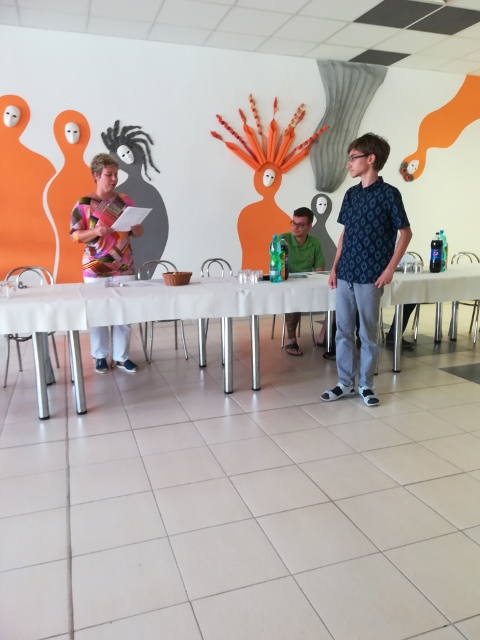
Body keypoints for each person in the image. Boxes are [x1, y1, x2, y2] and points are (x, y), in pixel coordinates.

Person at [321, 133, 412, 406]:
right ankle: (344, 383)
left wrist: (390, 269)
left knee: (368, 334)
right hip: (345, 273)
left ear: (370, 159)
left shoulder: (389, 194)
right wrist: (334, 268)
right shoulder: (350, 194)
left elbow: (405, 233)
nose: (348, 163)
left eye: (353, 158)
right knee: (343, 332)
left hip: (371, 276)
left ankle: (366, 385)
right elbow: (344, 235)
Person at [70, 153, 144, 374]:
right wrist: (95, 231)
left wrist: (138, 230)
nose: (114, 179)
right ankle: (100, 356)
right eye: (109, 174)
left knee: (124, 312)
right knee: (98, 313)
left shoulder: (125, 201)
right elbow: (74, 235)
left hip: (124, 266)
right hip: (95, 267)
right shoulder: (83, 204)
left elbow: (136, 232)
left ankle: (122, 357)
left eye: (116, 174)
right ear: (96, 175)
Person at [278, 206, 325, 356]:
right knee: (294, 296)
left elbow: (320, 270)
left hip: (307, 283)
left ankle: (324, 335)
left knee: (337, 295)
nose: (295, 227)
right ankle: (291, 339)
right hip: (288, 284)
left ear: (309, 226)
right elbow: (279, 269)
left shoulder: (315, 242)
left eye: (300, 224)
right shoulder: (282, 239)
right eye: (293, 223)